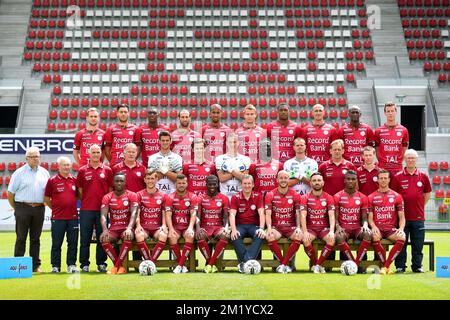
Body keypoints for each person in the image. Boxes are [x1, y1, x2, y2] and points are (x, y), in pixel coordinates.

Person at [7, 146, 50, 272]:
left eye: (37, 156)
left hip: (39, 208)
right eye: (33, 156)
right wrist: (17, 208)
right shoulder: (18, 173)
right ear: (27, 158)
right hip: (22, 207)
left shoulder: (44, 172)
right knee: (21, 237)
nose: (36, 159)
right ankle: (17, 265)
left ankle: (35, 266)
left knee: (35, 238)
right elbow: (10, 194)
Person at [391, 149, 431, 273]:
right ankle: (400, 266)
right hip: (401, 218)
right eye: (408, 158)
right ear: (404, 160)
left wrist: (419, 206)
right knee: (400, 244)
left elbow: (427, 194)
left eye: (413, 158)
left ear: (416, 160)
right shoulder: (398, 176)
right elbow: (393, 195)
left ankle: (417, 266)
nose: (410, 160)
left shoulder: (423, 176)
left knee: (418, 244)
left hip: (418, 217)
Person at [76, 144, 113, 273]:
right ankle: (84, 264)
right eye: (94, 152)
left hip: (102, 210)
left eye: (98, 152)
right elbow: (80, 190)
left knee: (102, 237)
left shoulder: (107, 170)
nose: (96, 154)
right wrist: (87, 200)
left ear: (101, 154)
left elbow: (110, 190)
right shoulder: (82, 170)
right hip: (86, 209)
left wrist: (105, 205)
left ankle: (101, 263)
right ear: (89, 154)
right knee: (85, 238)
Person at [44, 156, 79, 273]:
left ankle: (71, 265)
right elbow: (47, 198)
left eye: (68, 165)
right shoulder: (52, 181)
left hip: (73, 217)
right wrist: (55, 208)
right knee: (56, 244)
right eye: (64, 165)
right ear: (58, 167)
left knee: (73, 243)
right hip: (58, 218)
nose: (66, 167)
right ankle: (55, 266)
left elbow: (78, 196)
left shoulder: (74, 180)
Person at [368, 169, 406, 275]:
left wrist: (401, 229)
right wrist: (373, 226)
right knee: (374, 236)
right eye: (381, 178)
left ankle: (385, 266)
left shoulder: (397, 196)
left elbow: (402, 217)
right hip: (378, 228)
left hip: (391, 229)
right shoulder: (371, 197)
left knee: (402, 237)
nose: (383, 180)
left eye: (385, 178)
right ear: (378, 180)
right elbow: (370, 218)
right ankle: (386, 266)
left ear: (389, 180)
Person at [100, 173, 138, 274]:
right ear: (113, 183)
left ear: (125, 182)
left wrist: (130, 228)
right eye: (117, 181)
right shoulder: (107, 197)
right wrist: (105, 230)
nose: (119, 183)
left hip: (127, 228)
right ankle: (119, 266)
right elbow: (103, 215)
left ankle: (116, 267)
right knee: (103, 238)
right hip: (114, 229)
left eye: (121, 181)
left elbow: (134, 213)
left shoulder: (132, 195)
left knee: (128, 236)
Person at [265, 171, 303, 273]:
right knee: (269, 236)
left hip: (290, 227)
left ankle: (283, 264)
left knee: (299, 235)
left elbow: (297, 213)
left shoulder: (295, 195)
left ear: (288, 179)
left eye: (285, 178)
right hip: (277, 227)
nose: (283, 180)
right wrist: (269, 228)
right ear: (277, 180)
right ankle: (284, 264)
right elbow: (268, 213)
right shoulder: (270, 194)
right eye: (281, 178)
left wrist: (299, 227)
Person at [334, 171, 372, 270]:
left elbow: (364, 218)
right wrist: (337, 226)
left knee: (368, 234)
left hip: (356, 228)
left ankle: (357, 263)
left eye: (353, 179)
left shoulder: (363, 197)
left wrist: (365, 225)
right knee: (338, 236)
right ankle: (354, 264)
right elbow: (335, 217)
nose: (350, 181)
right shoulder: (337, 196)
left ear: (356, 181)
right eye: (348, 179)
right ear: (344, 181)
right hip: (344, 228)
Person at [300, 173, 336, 274]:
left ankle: (317, 265)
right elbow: (303, 215)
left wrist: (332, 231)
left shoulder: (329, 197)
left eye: (319, 180)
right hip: (311, 229)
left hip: (323, 229)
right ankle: (317, 264)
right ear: (310, 183)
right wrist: (305, 231)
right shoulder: (305, 197)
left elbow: (331, 215)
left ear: (323, 183)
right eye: (314, 180)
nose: (317, 182)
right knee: (305, 239)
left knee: (331, 239)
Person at [229, 175, 265, 273]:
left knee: (260, 234)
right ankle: (249, 262)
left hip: (254, 225)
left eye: (249, 183)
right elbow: (232, 214)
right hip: (240, 225)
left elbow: (261, 213)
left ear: (253, 185)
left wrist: (261, 228)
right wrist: (233, 229)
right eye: (245, 183)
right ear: (241, 185)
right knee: (235, 236)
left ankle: (244, 263)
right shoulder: (235, 197)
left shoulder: (258, 196)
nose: (247, 186)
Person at [165, 174, 199, 274]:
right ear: (175, 184)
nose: (181, 185)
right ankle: (182, 265)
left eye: (183, 183)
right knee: (172, 237)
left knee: (190, 235)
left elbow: (193, 214)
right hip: (175, 227)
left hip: (186, 226)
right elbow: (168, 215)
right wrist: (170, 229)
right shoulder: (170, 197)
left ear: (187, 184)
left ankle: (179, 265)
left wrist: (190, 228)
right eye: (179, 183)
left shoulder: (192, 196)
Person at [196, 175, 230, 273]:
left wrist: (226, 227)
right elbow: (197, 215)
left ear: (218, 184)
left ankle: (209, 264)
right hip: (205, 227)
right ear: (206, 184)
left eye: (214, 184)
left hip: (217, 227)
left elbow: (226, 217)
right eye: (210, 184)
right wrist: (198, 228)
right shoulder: (200, 198)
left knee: (225, 235)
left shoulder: (224, 198)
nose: (212, 186)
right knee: (199, 235)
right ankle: (212, 263)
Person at [134, 169, 168, 264]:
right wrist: (138, 225)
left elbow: (164, 212)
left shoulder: (163, 195)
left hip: (157, 228)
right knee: (139, 235)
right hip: (144, 228)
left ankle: (151, 262)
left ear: (157, 179)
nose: (150, 181)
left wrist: (164, 225)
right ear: (144, 179)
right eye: (148, 178)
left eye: (152, 178)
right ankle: (148, 261)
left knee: (163, 235)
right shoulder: (139, 195)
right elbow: (137, 212)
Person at [374, 102, 409, 176]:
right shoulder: (378, 131)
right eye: (388, 111)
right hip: (383, 168)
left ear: (396, 112)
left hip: (398, 168)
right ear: (385, 113)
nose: (390, 113)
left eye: (392, 111)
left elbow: (405, 148)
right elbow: (376, 149)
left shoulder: (404, 130)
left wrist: (399, 161)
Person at [215, 133, 251, 200]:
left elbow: (244, 178)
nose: (232, 144)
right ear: (227, 143)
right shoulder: (219, 159)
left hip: (240, 197)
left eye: (234, 142)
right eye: (230, 142)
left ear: (238, 143)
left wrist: (230, 170)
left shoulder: (246, 159)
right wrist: (237, 172)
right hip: (225, 196)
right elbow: (221, 178)